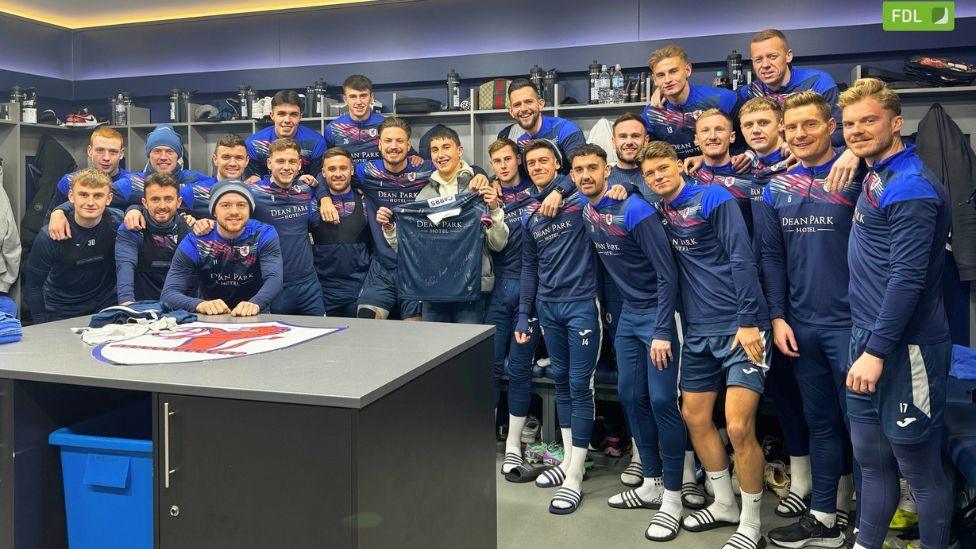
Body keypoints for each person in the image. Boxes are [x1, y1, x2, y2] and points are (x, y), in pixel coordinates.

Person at [641, 141, 770, 549]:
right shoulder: (660, 210)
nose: (657, 177)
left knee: (737, 426)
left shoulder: (712, 196)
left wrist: (749, 321)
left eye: (663, 169)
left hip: (740, 328)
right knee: (695, 417)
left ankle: (750, 523)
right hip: (696, 329)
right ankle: (725, 503)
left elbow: (741, 257)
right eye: (649, 174)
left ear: (680, 166)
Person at [841, 78, 952, 549]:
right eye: (849, 123)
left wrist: (877, 351)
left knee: (919, 469)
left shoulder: (910, 187)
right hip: (865, 339)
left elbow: (906, 281)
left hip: (904, 349)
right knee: (870, 458)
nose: (858, 130)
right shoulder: (877, 173)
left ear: (896, 123)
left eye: (869, 120)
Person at [759, 91, 861, 547]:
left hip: (854, 325)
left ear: (830, 127)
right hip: (801, 326)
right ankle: (823, 514)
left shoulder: (859, 175)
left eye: (810, 125)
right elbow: (771, 257)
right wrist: (778, 317)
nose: (799, 134)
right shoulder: (775, 187)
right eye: (791, 128)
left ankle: (864, 516)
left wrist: (857, 152)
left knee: (862, 429)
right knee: (820, 422)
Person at [574, 143, 684, 541]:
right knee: (627, 395)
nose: (586, 175)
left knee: (661, 401)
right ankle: (651, 482)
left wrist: (661, 330)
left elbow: (667, 273)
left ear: (608, 172)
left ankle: (673, 496)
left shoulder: (634, 209)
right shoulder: (588, 210)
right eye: (579, 169)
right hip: (626, 318)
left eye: (593, 168)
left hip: (659, 315)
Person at [515, 139, 601, 515]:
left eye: (543, 161)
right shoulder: (530, 215)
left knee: (581, 386)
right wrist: (523, 314)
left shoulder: (582, 202)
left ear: (557, 165)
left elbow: (624, 186)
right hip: (548, 308)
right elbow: (529, 268)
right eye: (530, 163)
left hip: (583, 304)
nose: (536, 167)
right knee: (562, 382)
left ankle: (576, 476)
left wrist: (565, 187)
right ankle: (568, 460)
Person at [377, 126, 506, 323]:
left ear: (459, 151)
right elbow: (409, 248)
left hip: (471, 288)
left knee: (469, 349)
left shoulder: (479, 189)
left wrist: (495, 209)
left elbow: (498, 244)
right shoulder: (425, 195)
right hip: (433, 290)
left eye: (446, 147)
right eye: (435, 150)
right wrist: (390, 228)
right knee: (436, 350)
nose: (441, 154)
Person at [197, 138, 323, 315]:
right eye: (280, 161)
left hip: (309, 283)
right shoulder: (253, 192)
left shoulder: (306, 190)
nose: (286, 167)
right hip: (272, 285)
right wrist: (204, 221)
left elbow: (324, 186)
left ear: (299, 164)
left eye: (292, 161)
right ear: (269, 163)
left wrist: (324, 198)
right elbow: (227, 211)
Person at [485, 138, 543, 475]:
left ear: (518, 160)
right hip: (498, 289)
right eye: (497, 161)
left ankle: (513, 446)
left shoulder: (538, 191)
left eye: (508, 159)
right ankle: (485, 437)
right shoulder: (488, 195)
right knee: (490, 366)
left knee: (519, 368)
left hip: (530, 291)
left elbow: (564, 182)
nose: (504, 165)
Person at [744, 29, 861, 188]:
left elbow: (840, 130)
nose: (765, 65)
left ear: (788, 56)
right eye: (758, 59)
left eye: (772, 57)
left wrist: (852, 151)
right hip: (768, 173)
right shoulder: (749, 92)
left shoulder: (818, 82)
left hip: (814, 167)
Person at [162, 181, 283, 316]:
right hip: (211, 314)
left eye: (241, 205)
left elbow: (274, 278)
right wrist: (199, 304)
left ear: (250, 209)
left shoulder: (263, 234)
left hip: (256, 312)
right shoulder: (195, 242)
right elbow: (169, 294)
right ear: (214, 211)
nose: (234, 212)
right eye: (225, 205)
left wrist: (256, 303)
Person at [25, 168, 123, 323]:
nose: (90, 202)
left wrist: (134, 210)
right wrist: (42, 326)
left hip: (104, 309)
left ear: (109, 198)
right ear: (71, 196)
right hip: (61, 311)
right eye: (83, 195)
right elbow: (33, 286)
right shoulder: (50, 235)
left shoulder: (117, 223)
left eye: (98, 196)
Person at [642, 45, 747, 173]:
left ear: (688, 70)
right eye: (661, 75)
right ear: (655, 80)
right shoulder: (651, 114)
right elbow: (652, 159)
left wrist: (705, 158)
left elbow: (747, 142)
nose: (668, 80)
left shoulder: (723, 99)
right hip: (680, 183)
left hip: (726, 176)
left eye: (674, 71)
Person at [311, 147, 371, 318]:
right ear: (322, 172)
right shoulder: (311, 203)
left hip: (359, 289)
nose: (338, 174)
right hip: (323, 292)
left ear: (352, 170)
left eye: (343, 168)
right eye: (331, 169)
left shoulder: (365, 200)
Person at [115, 172, 190, 304]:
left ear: (178, 202)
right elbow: (125, 266)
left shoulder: (190, 230)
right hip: (142, 307)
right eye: (155, 199)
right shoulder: (131, 228)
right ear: (144, 202)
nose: (162, 206)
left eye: (168, 199)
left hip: (181, 306)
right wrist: (127, 304)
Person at [46, 127, 131, 218]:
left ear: (121, 154)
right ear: (89, 151)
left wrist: (134, 209)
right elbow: (50, 219)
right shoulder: (69, 181)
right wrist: (58, 213)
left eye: (113, 152)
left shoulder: (132, 183)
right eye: (100, 150)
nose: (106, 158)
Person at [244, 90, 327, 182]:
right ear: (272, 115)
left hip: (303, 193)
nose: (287, 120)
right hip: (265, 193)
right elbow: (254, 181)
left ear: (300, 116)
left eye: (293, 114)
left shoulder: (316, 142)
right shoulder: (254, 143)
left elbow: (316, 182)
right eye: (281, 114)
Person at [324, 75, 386, 164]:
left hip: (376, 177)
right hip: (346, 177)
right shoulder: (333, 128)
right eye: (353, 97)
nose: (358, 102)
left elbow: (409, 154)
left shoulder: (385, 125)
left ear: (371, 97)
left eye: (363, 96)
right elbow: (328, 161)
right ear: (345, 99)